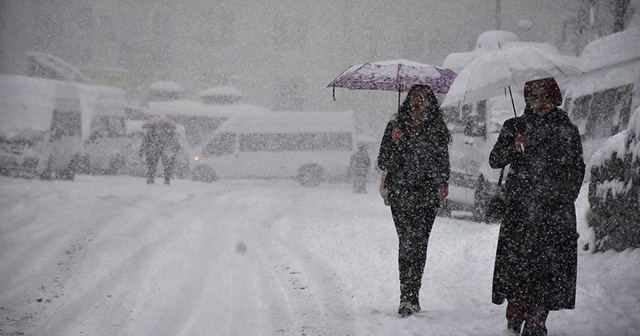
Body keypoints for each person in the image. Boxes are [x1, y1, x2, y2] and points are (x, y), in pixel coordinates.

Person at [488, 77, 585, 336]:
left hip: (553, 214)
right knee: (518, 268)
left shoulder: (566, 129)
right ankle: (516, 309)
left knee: (546, 271)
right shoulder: (515, 126)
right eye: (534, 97)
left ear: (555, 98)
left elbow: (577, 169)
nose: (539, 103)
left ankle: (537, 320)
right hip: (520, 212)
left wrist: (563, 199)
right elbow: (494, 160)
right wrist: (513, 146)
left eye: (545, 96)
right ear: (527, 100)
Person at [377, 84, 451, 317]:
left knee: (419, 244)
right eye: (414, 98)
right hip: (401, 194)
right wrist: (395, 140)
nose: (418, 102)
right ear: (408, 100)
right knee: (406, 242)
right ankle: (405, 297)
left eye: (423, 98)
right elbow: (383, 161)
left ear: (430, 102)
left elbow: (442, 161)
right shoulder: (395, 126)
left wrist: (442, 183)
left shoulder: (437, 128)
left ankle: (414, 294)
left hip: (427, 196)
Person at [139, 120, 181, 185]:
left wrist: (142, 151)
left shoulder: (152, 134)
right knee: (166, 166)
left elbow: (144, 143)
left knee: (152, 166)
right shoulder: (169, 134)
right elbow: (176, 144)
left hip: (155, 152)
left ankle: (152, 180)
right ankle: (165, 180)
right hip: (165, 152)